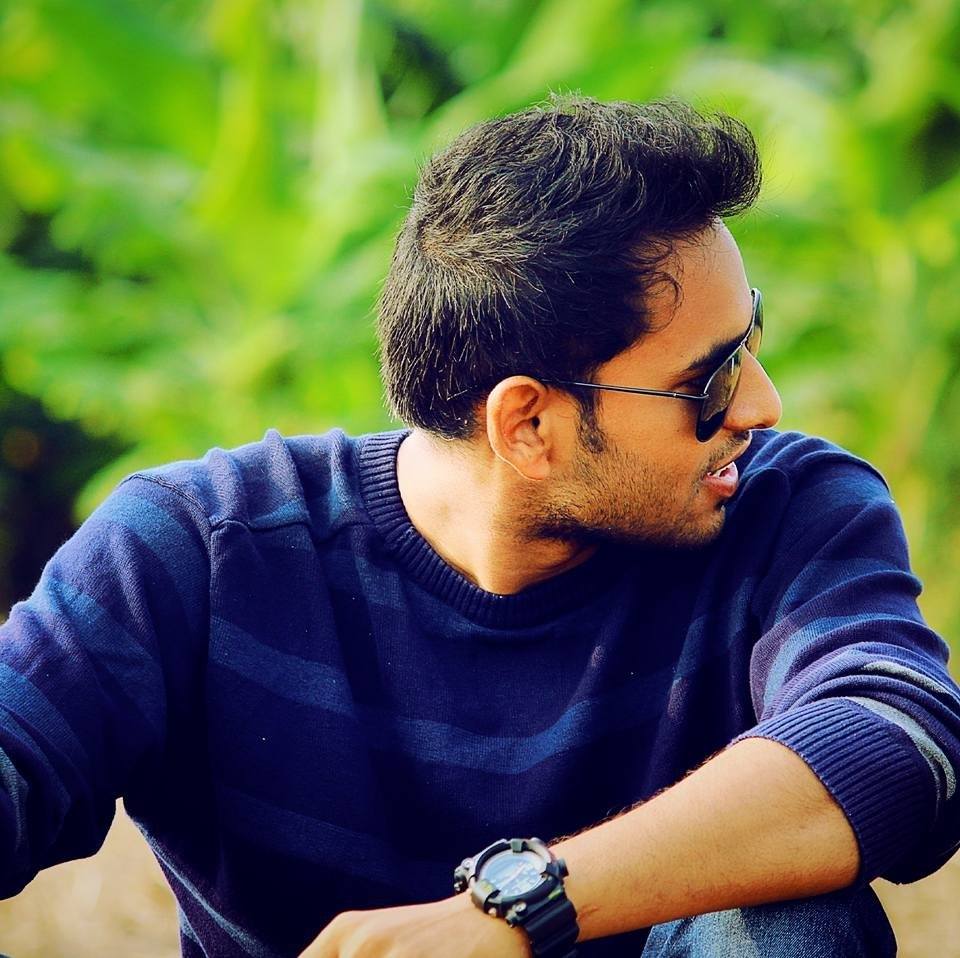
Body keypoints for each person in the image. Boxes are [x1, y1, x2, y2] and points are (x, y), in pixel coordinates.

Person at [1, 96, 958, 958]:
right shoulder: (203, 548)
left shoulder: (787, 508)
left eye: (750, 342)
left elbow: (901, 740)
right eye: (707, 381)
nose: (761, 405)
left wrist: (521, 906)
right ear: (527, 424)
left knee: (784, 922)